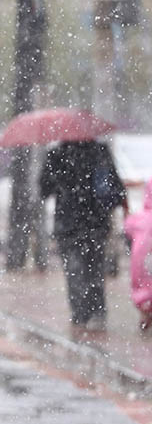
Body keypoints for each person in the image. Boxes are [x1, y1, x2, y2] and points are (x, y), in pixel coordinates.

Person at [39, 140, 127, 331]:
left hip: (68, 224)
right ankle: (96, 313)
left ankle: (80, 315)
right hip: (96, 222)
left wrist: (60, 179)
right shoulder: (100, 151)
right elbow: (116, 188)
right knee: (94, 269)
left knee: (74, 271)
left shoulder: (56, 154)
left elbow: (44, 190)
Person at [124, 178, 152, 331]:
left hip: (144, 263)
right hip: (146, 260)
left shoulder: (140, 218)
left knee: (144, 289)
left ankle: (145, 316)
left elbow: (128, 226)